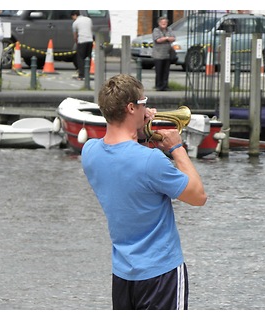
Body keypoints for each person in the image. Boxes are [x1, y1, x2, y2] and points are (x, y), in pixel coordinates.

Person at [81, 74, 207, 310]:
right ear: (130, 107)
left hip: (123, 273)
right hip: (162, 272)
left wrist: (137, 130)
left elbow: (124, 156)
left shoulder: (89, 152)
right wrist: (177, 149)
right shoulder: (152, 161)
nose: (148, 108)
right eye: (143, 103)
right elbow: (198, 196)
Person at [152, 16, 176, 91]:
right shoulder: (156, 30)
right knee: (159, 72)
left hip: (167, 54)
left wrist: (164, 38)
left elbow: (173, 38)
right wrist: (167, 38)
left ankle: (165, 86)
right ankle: (158, 86)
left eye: (165, 23)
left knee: (166, 72)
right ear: (159, 23)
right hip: (158, 55)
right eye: (162, 23)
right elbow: (158, 40)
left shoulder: (169, 29)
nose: (164, 24)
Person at [71, 10, 93, 81]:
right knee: (88, 58)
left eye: (72, 17)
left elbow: (75, 35)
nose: (73, 19)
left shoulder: (75, 22)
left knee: (80, 58)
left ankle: (81, 75)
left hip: (82, 41)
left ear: (74, 15)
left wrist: (76, 42)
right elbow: (90, 29)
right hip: (90, 41)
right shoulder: (88, 19)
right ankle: (87, 74)